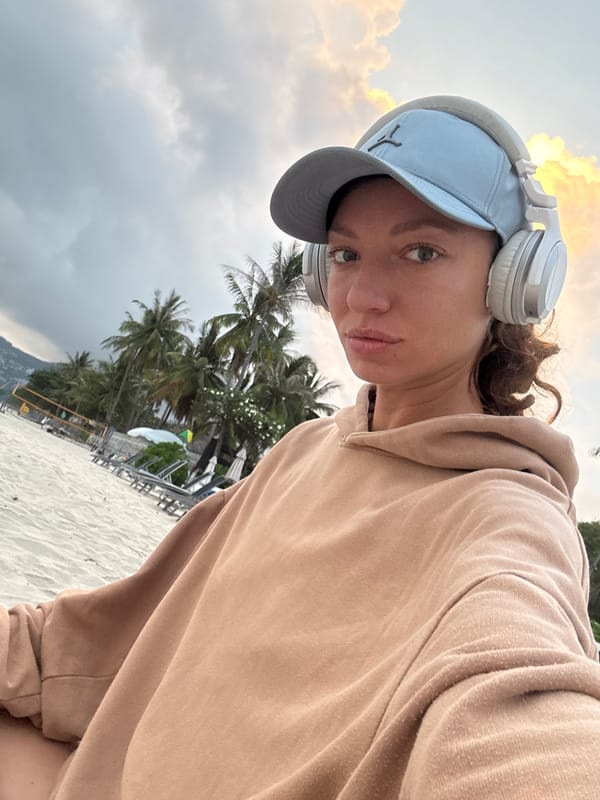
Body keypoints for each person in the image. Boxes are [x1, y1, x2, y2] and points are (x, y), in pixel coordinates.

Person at [1, 95, 600, 800]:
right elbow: (102, 644)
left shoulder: (507, 523)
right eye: (346, 254)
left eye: (421, 251)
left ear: (513, 282)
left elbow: (522, 711)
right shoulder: (304, 449)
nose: (364, 295)